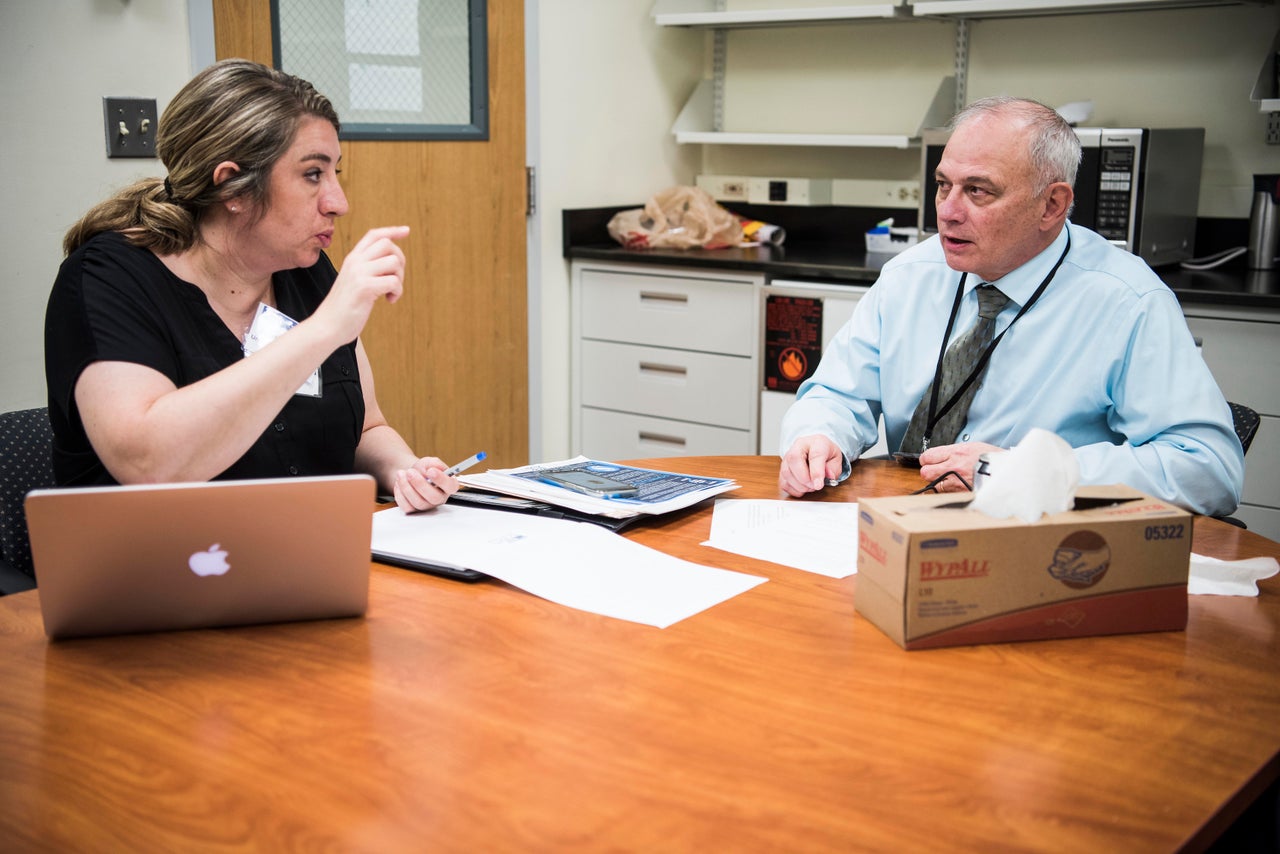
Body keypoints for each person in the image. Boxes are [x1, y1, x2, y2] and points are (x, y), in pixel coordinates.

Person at [779, 95, 1244, 517]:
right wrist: (818, 435)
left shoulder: (1127, 301)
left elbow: (1208, 468)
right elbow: (839, 392)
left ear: (1052, 206)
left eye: (979, 191)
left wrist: (1029, 471)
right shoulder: (910, 275)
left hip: (1045, 539)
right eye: (944, 185)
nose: (948, 211)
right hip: (902, 514)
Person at [45, 58, 458, 513]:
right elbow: (148, 463)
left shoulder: (306, 271)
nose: (338, 203)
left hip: (306, 553)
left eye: (334, 173)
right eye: (312, 174)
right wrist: (324, 329)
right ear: (233, 188)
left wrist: (404, 468)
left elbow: (367, 429)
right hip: (158, 570)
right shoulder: (109, 279)